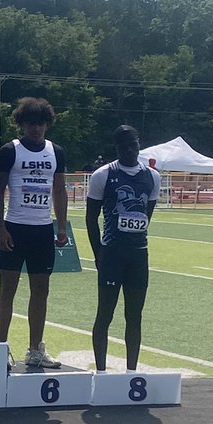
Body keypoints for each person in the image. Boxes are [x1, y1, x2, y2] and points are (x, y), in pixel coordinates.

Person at [0, 97, 69, 367]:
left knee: (40, 290)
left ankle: (35, 349)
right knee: (8, 289)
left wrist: (61, 225)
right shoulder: (9, 151)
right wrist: (0, 228)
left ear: (47, 124)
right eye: (30, 124)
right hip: (15, 227)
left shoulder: (55, 152)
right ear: (22, 124)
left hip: (42, 230)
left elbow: (59, 190)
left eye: (40, 124)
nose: (36, 129)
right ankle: (0, 348)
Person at [85, 125, 161, 372]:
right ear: (116, 148)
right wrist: (99, 254)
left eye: (134, 145)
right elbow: (91, 218)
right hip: (112, 254)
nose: (130, 150)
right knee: (105, 314)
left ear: (139, 144)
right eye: (124, 146)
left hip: (138, 254)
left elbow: (146, 217)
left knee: (134, 316)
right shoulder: (103, 175)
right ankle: (101, 371)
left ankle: (131, 372)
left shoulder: (152, 176)